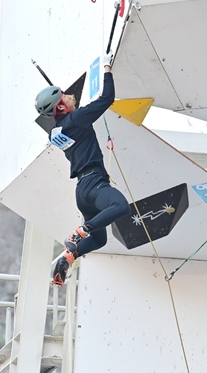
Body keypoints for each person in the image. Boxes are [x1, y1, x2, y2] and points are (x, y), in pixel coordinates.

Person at [34, 53, 131, 286]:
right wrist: (106, 68)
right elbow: (107, 98)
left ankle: (69, 256)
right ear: (60, 106)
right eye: (65, 96)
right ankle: (81, 231)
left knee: (99, 241)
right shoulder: (76, 120)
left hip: (82, 192)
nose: (71, 96)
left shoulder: (56, 132)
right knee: (121, 206)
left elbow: (64, 124)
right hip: (94, 184)